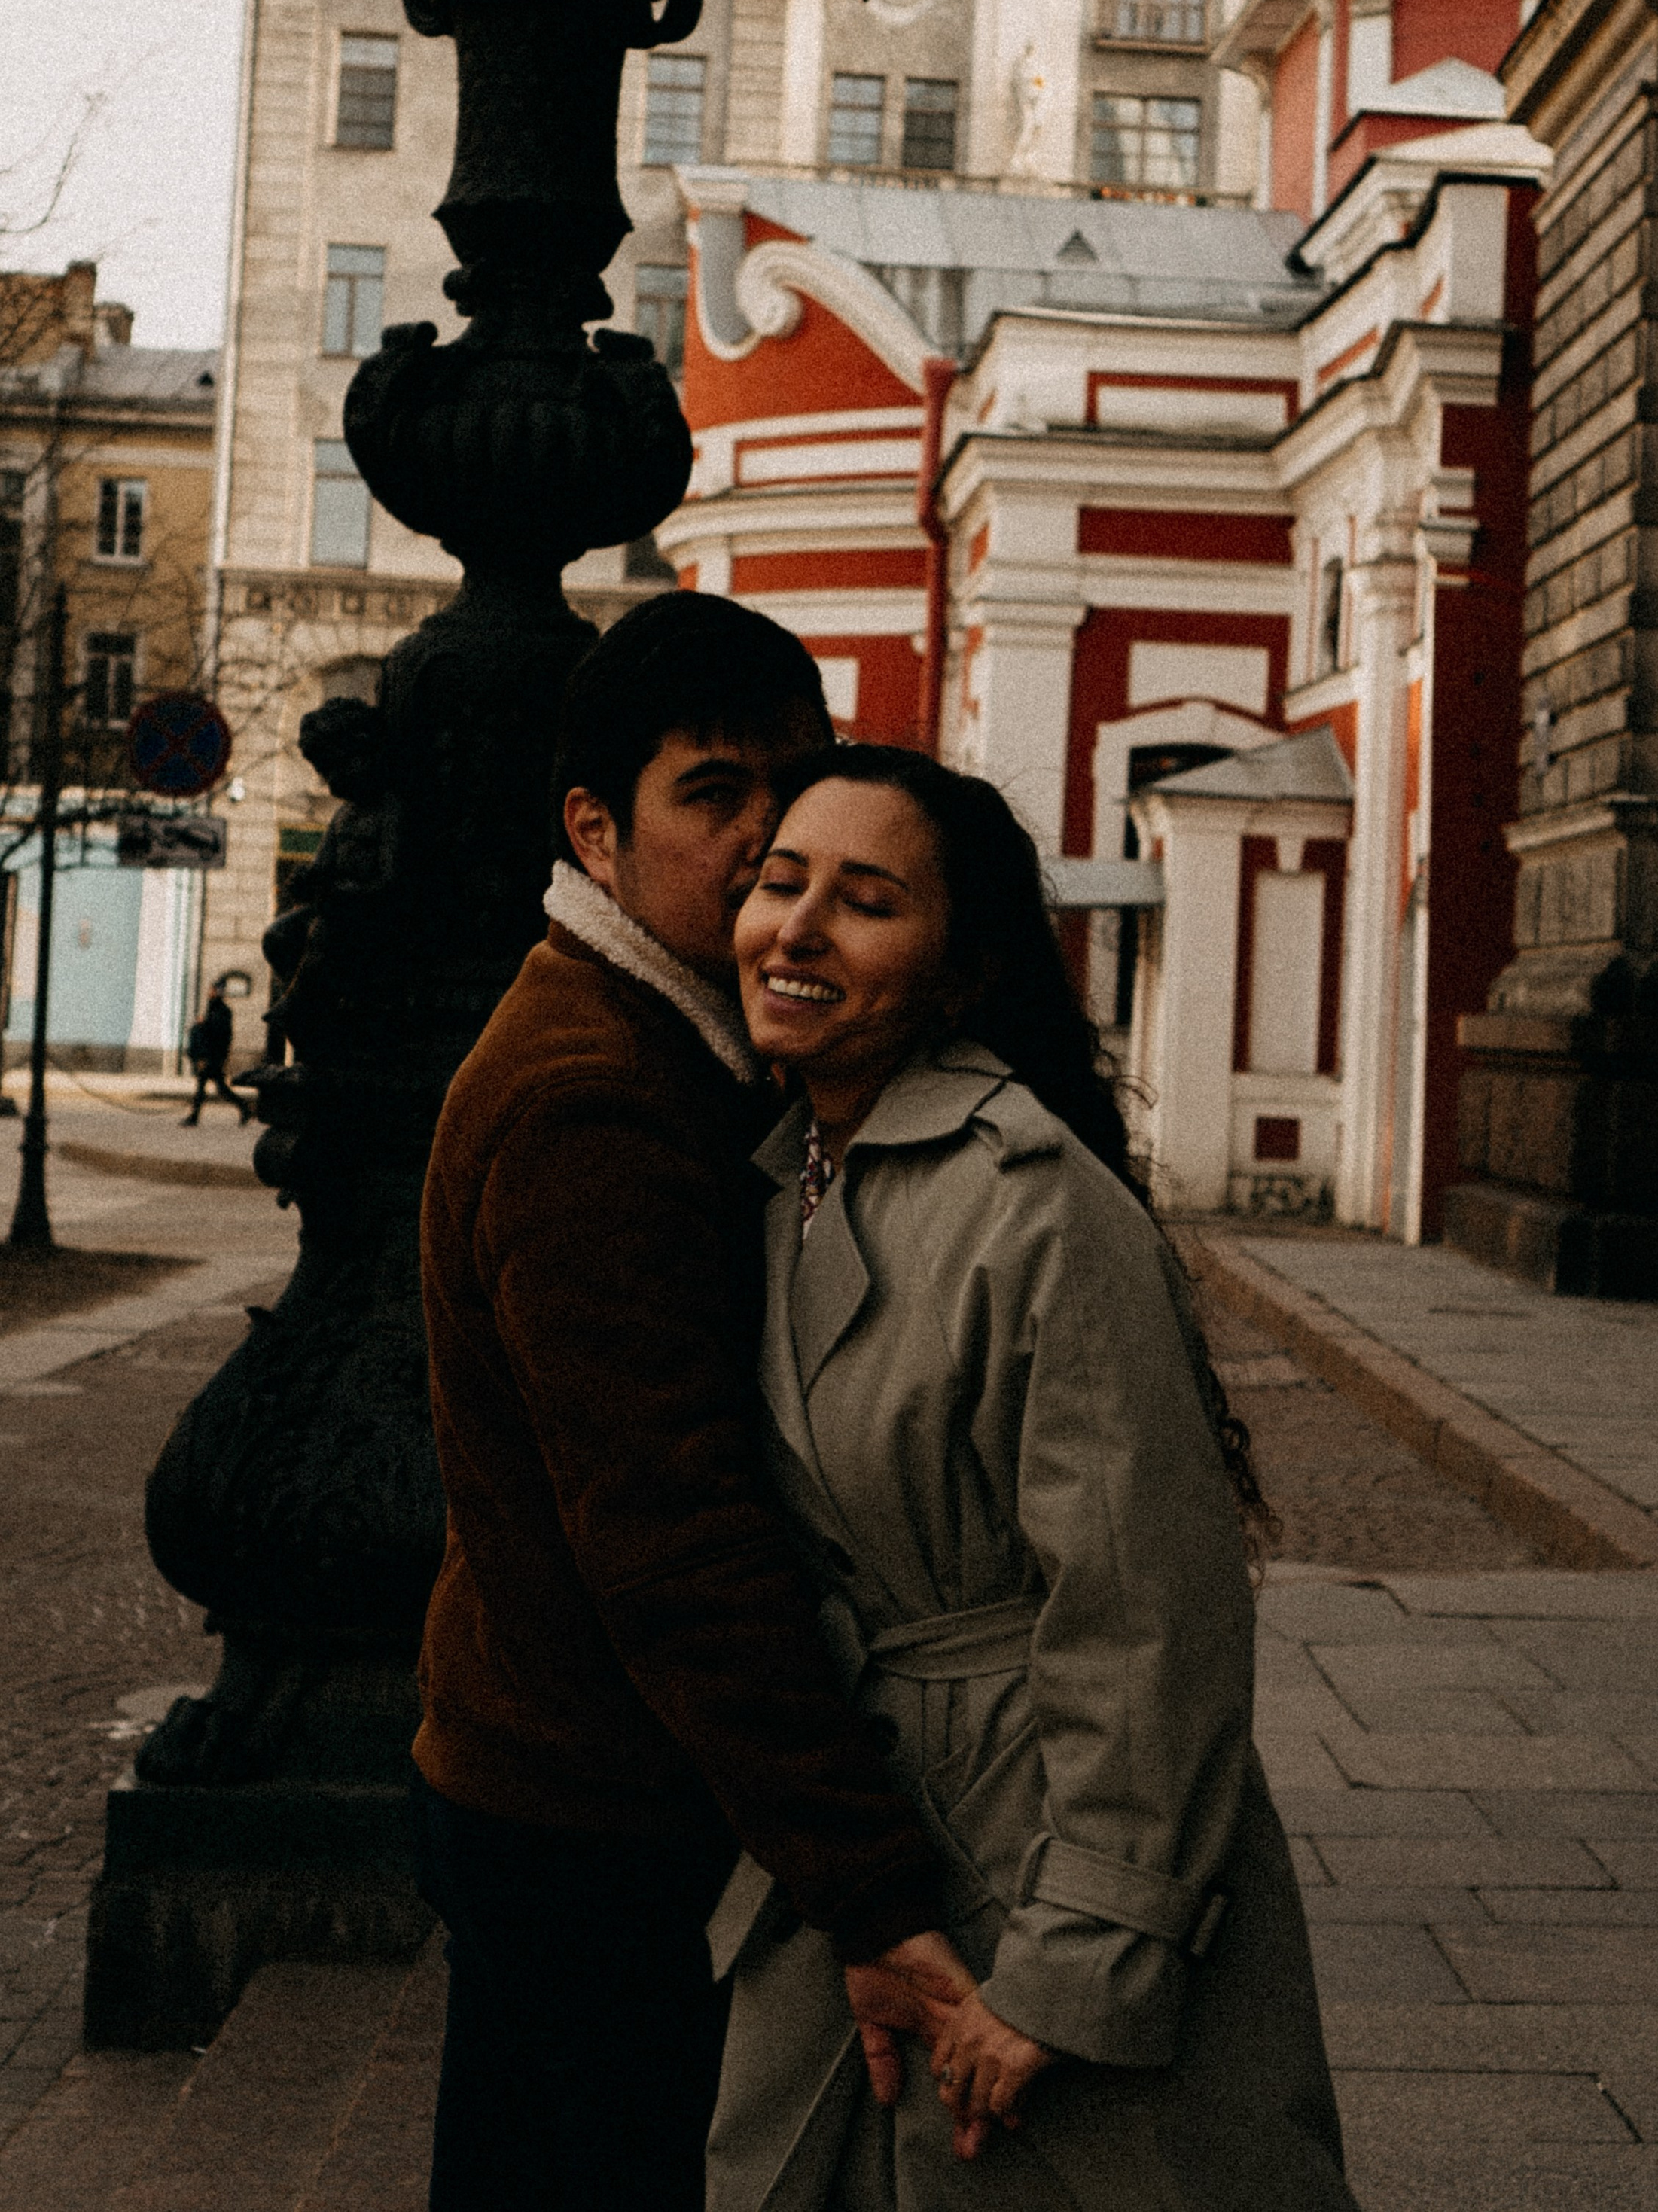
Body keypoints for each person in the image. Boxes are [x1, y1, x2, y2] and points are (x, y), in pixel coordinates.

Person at [709, 745, 1360, 2212]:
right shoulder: (777, 1176)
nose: (797, 928)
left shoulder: (1032, 1202)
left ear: (954, 969)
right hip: (861, 1859)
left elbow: (1150, 1613)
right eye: (778, 882)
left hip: (1039, 1848)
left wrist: (1078, 1962)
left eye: (864, 901)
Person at [412, 602, 971, 2212]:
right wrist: (868, 1885)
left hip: (562, 1777)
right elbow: (674, 1539)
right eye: (710, 794)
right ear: (593, 826)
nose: (758, 843)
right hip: (587, 1817)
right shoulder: (594, 1094)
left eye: (784, 794)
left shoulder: (683, 1046)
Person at [181, 983, 249, 1125]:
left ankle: (194, 1117)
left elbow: (217, 1036)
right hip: (212, 1056)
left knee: (209, 1087)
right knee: (217, 1087)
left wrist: (203, 1025)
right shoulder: (214, 1009)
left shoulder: (222, 1011)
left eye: (212, 991)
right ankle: (244, 1107)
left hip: (213, 1057)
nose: (209, 993)